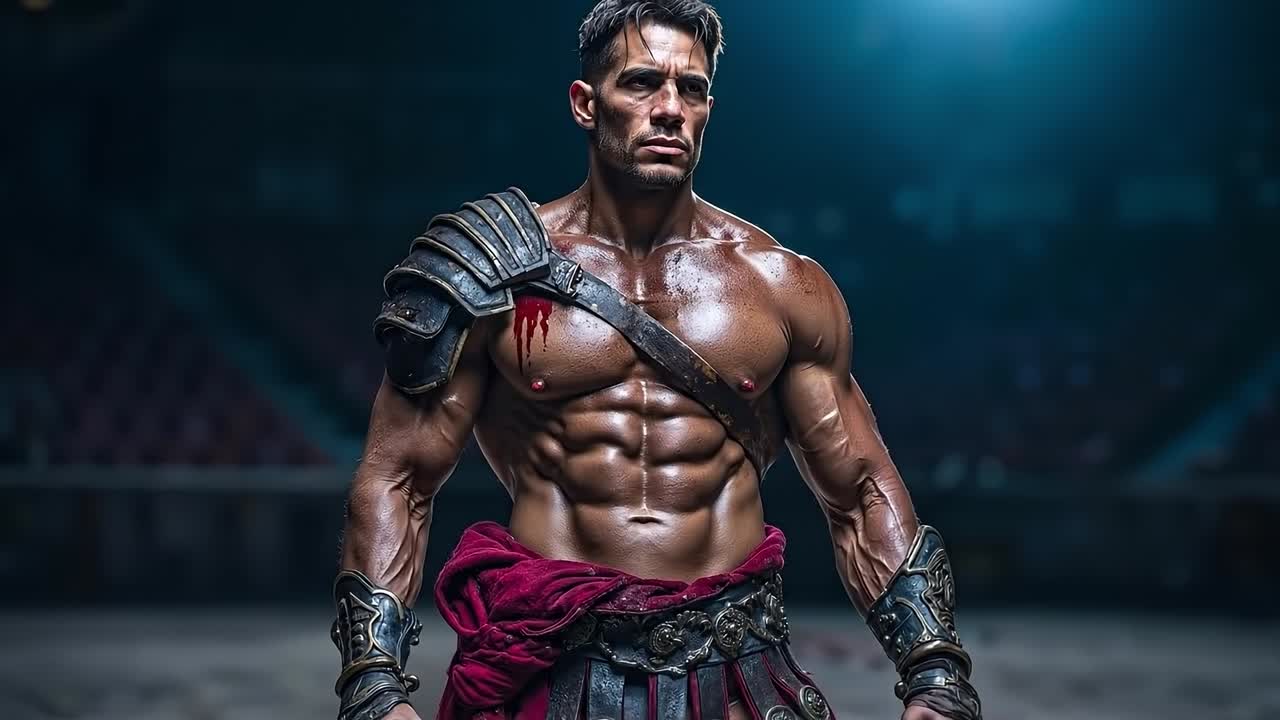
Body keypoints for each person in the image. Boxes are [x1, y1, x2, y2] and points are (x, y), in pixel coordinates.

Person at [329, 2, 983, 720]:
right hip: (554, 664)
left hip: (736, 665)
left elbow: (858, 491)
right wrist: (373, 684)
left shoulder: (780, 285)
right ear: (586, 103)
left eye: (691, 89)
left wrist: (935, 673)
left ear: (708, 109)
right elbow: (399, 478)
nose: (669, 108)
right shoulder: (490, 274)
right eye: (641, 83)